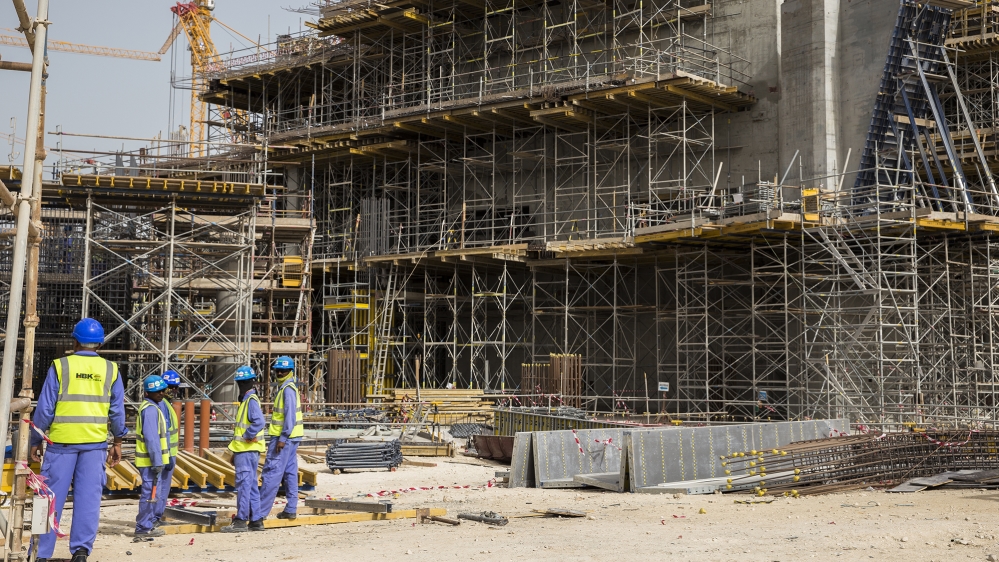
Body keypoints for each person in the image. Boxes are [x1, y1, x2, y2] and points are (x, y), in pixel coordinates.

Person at [30, 318, 126, 562]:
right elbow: (117, 411)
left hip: (61, 445)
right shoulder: (110, 370)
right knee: (88, 500)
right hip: (94, 446)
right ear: (100, 344)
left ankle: (41, 553)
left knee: (49, 499)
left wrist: (34, 439)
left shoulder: (61, 366)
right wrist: (117, 441)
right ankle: (81, 552)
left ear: (74, 340)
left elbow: (45, 408)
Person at [257, 356, 303, 520]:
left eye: (283, 370)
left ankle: (259, 513)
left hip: (284, 438)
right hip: (292, 437)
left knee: (272, 473)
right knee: (290, 473)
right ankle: (291, 509)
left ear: (291, 371)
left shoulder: (287, 390)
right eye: (278, 370)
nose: (280, 373)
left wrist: (282, 438)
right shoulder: (287, 387)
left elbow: (289, 417)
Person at [222, 366, 266, 533]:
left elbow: (259, 422)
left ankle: (241, 520)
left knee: (244, 485)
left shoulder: (250, 401)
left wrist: (248, 435)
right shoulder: (247, 400)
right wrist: (235, 452)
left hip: (247, 450)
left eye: (243, 382)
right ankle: (256, 520)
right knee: (252, 485)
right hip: (245, 451)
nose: (241, 385)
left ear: (250, 382)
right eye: (240, 382)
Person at [134, 375, 170, 539]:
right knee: (149, 494)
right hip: (149, 462)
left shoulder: (154, 407)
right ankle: (142, 527)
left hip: (153, 461)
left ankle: (147, 525)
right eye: (158, 392)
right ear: (148, 392)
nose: (161, 394)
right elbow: (151, 438)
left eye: (162, 391)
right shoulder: (149, 410)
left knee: (153, 494)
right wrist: (157, 461)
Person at [152, 370, 181, 528]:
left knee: (162, 487)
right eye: (171, 387)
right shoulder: (162, 405)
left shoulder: (166, 405)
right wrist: (167, 455)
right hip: (165, 454)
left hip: (168, 453)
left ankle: (156, 516)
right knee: (160, 487)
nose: (174, 390)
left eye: (175, 387)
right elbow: (163, 432)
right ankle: (154, 517)